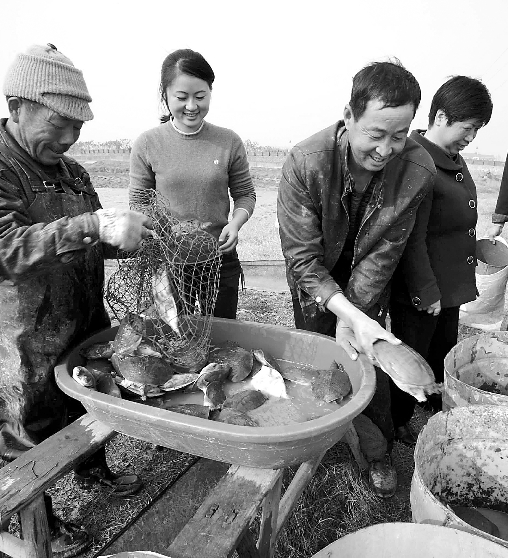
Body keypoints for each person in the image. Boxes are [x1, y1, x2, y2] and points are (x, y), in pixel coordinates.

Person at [0, 44, 154, 558]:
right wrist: (92, 225)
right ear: (17, 106)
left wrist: (130, 240)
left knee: (88, 403)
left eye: (78, 126)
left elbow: (94, 238)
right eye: (59, 123)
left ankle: (93, 471)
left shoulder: (72, 173)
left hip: (79, 322)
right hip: (16, 341)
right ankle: (39, 525)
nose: (69, 137)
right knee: (26, 436)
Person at [277, 61, 436, 498]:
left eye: (399, 135)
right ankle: (320, 438)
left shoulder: (417, 169)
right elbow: (303, 259)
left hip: (369, 281)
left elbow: (384, 255)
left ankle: (376, 449)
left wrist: (356, 317)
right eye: (376, 134)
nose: (386, 149)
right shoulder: (305, 162)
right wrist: (339, 311)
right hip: (314, 280)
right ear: (348, 115)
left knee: (369, 356)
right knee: (319, 355)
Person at [389, 76, 493, 433]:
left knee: (442, 349)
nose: (471, 137)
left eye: (477, 130)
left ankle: (433, 402)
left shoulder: (451, 158)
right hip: (423, 287)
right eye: (468, 127)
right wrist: (425, 290)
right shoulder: (416, 161)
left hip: (448, 285)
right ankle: (397, 421)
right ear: (442, 117)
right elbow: (411, 236)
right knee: (411, 356)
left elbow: (447, 222)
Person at [129, 48, 256, 319]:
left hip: (220, 257)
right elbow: (139, 201)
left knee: (222, 330)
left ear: (210, 92)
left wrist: (235, 224)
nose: (191, 106)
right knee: (175, 333)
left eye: (200, 96)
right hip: (170, 261)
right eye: (181, 97)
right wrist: (161, 229)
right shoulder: (148, 143)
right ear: (165, 95)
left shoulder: (229, 141)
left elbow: (245, 194)